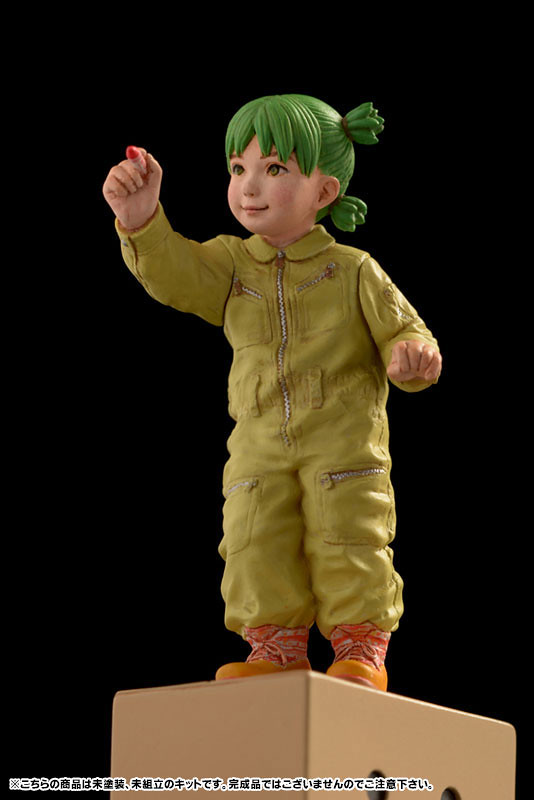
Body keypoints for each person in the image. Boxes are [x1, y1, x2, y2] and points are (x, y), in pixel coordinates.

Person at [103, 94, 442, 691]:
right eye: (238, 169)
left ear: (326, 191)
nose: (249, 186)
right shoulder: (232, 265)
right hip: (257, 447)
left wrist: (412, 357)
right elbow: (175, 274)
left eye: (275, 168)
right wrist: (142, 221)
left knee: (350, 538)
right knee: (254, 540)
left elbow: (406, 332)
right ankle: (276, 650)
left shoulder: (354, 269)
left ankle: (361, 650)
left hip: (343, 448)